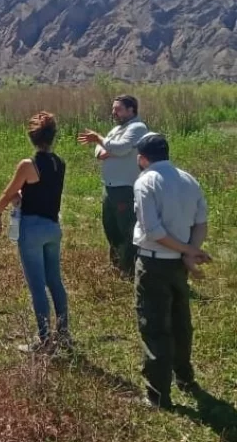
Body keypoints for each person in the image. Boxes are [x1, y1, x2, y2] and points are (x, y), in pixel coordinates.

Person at [131, 132, 211, 409]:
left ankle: (158, 394)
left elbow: (153, 232)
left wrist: (187, 252)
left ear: (142, 159)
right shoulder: (188, 178)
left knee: (154, 327)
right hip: (178, 266)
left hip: (154, 263)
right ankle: (185, 378)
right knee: (180, 323)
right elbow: (201, 223)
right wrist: (189, 252)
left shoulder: (146, 181)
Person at [0, 112, 70, 353]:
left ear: (31, 137)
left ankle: (44, 340)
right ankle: (64, 334)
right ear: (53, 136)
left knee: (37, 286)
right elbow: (43, 192)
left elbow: (8, 192)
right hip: (53, 228)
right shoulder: (59, 163)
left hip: (32, 229)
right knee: (55, 281)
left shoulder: (28, 165)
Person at [78, 95, 148, 279]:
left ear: (131, 110)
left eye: (118, 109)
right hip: (109, 188)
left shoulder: (138, 128)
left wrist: (101, 140)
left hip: (125, 188)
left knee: (127, 229)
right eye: (113, 109)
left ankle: (130, 270)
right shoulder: (117, 129)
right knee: (111, 228)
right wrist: (105, 146)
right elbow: (100, 151)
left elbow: (122, 148)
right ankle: (116, 267)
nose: (114, 112)